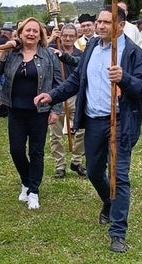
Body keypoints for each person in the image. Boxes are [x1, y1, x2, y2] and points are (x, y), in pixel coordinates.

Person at [34, 7, 142, 253]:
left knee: (118, 176)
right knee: (95, 172)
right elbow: (76, 81)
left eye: (105, 22)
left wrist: (124, 78)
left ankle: (118, 232)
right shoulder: (91, 48)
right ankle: (109, 204)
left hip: (120, 121)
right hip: (95, 121)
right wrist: (52, 95)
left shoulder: (132, 52)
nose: (99, 26)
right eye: (98, 21)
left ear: (120, 25)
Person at [0, 17, 62, 210]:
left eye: (35, 31)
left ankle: (34, 191)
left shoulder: (49, 55)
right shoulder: (13, 54)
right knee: (16, 150)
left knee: (36, 152)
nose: (31, 34)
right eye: (27, 31)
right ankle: (26, 181)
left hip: (40, 112)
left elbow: (58, 84)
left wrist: (56, 110)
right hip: (16, 111)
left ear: (40, 36)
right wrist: (4, 52)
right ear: (20, 34)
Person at [47, 24, 87, 178]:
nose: (68, 38)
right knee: (55, 133)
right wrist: (51, 39)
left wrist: (63, 56)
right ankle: (60, 166)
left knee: (82, 130)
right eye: (65, 35)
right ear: (60, 36)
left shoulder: (81, 53)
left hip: (75, 96)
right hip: (56, 95)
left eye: (71, 35)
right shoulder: (51, 49)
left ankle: (76, 161)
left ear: (76, 37)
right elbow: (39, 48)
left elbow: (78, 62)